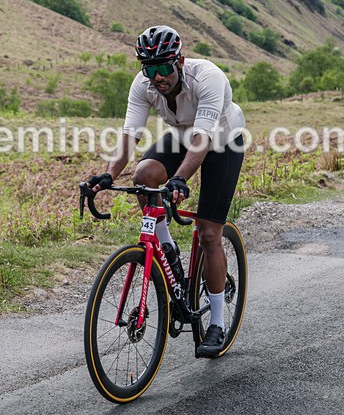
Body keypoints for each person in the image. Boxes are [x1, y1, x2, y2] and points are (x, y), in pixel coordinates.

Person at [85, 25, 245, 358]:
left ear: (180, 61)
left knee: (209, 232)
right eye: (149, 69)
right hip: (185, 135)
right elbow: (130, 135)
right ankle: (168, 249)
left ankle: (216, 323)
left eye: (163, 68)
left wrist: (181, 179)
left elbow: (203, 140)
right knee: (145, 174)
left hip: (223, 141)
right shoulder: (143, 84)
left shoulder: (208, 78)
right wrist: (107, 175)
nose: (157, 77)